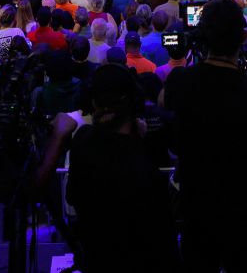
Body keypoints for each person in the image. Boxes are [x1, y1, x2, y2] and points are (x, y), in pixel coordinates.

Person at [164, 0, 247, 273]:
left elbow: (164, 106)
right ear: (243, 37)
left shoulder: (179, 82)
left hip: (196, 208)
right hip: (243, 209)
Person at [67, 64, 177, 273]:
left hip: (96, 259)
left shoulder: (82, 142)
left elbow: (72, 196)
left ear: (93, 102)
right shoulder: (145, 171)